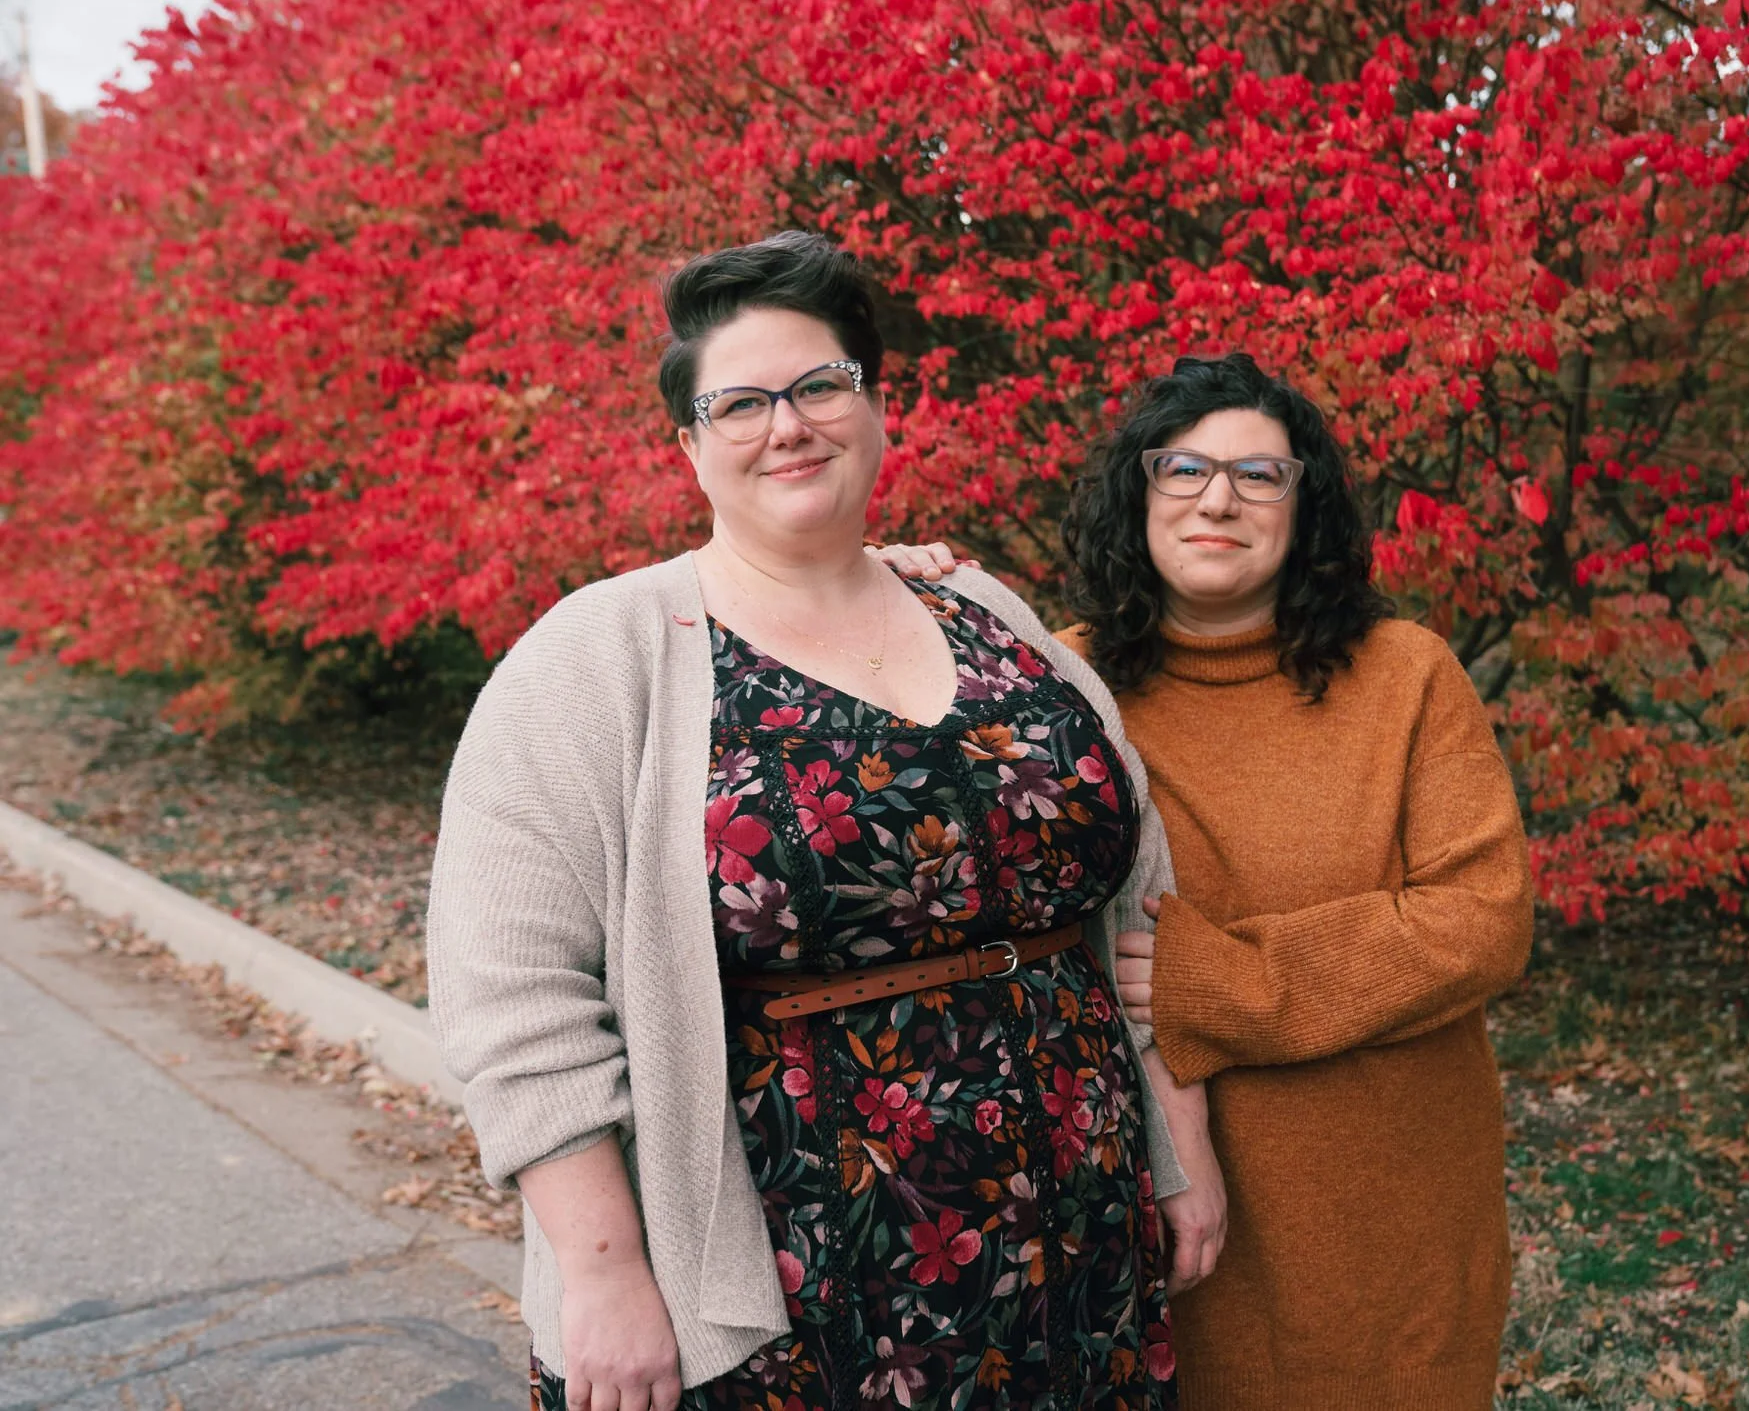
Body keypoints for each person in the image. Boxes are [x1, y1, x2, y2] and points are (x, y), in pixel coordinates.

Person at [425, 233, 1225, 1411]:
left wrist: (1179, 1143)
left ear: (875, 404)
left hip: (1076, 1234)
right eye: (739, 403)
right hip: (797, 1268)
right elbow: (512, 994)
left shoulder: (982, 607)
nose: (786, 425)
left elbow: (1136, 898)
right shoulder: (598, 657)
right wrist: (601, 1274)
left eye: (817, 386)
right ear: (690, 443)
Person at [877, 352, 1534, 1407]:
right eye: (1180, 469)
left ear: (1302, 505)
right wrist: (890, 591)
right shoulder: (1058, 685)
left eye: (1257, 475)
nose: (1216, 497)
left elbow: (1480, 920)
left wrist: (1221, 986)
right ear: (1137, 496)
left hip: (1385, 1213)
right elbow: (907, 804)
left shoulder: (1406, 674)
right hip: (1149, 1208)